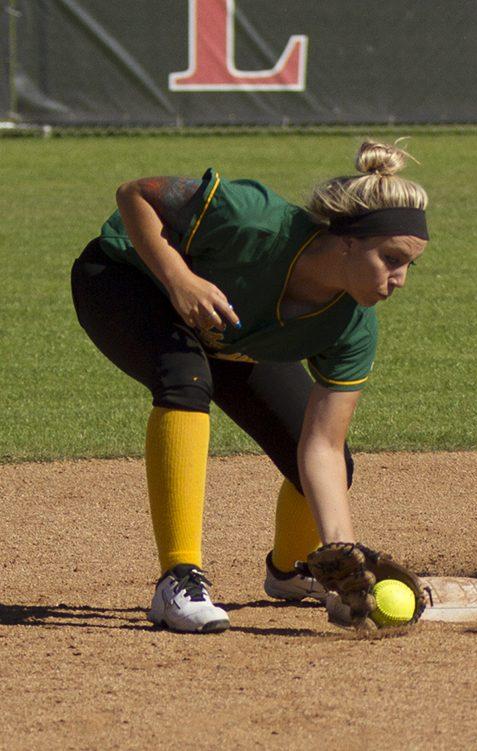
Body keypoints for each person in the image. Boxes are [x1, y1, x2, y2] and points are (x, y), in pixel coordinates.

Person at [70, 140, 429, 633]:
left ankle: (291, 571)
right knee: (184, 378)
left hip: (230, 332)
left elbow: (321, 445)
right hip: (127, 280)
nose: (401, 278)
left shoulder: (352, 326)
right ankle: (178, 579)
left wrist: (343, 559)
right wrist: (178, 278)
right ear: (346, 239)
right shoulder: (254, 220)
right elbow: (135, 194)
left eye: (410, 264)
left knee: (334, 463)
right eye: (391, 258)